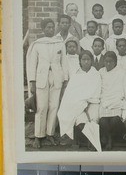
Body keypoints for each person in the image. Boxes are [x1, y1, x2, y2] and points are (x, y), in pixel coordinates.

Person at [26, 18, 68, 148]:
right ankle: (39, 136)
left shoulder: (59, 43)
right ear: (43, 29)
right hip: (41, 78)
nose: (50, 30)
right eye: (48, 27)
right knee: (41, 107)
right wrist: (32, 81)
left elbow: (64, 62)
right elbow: (32, 64)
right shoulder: (38, 44)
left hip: (56, 78)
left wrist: (65, 78)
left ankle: (50, 133)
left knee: (54, 106)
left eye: (52, 27)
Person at [57, 50, 101, 148]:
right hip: (78, 103)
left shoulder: (96, 74)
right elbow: (71, 93)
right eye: (83, 59)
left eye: (88, 59)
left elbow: (96, 91)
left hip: (93, 102)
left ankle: (92, 141)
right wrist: (80, 104)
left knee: (93, 117)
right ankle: (87, 139)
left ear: (92, 61)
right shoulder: (76, 75)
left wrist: (87, 103)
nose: (86, 62)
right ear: (80, 61)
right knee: (77, 118)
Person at [99, 51, 126, 150]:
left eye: (111, 62)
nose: (108, 64)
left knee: (115, 119)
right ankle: (109, 138)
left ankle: (108, 138)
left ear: (115, 62)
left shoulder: (121, 72)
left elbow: (123, 88)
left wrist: (119, 97)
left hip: (116, 98)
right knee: (103, 120)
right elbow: (99, 87)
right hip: (105, 98)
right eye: (106, 61)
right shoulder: (101, 72)